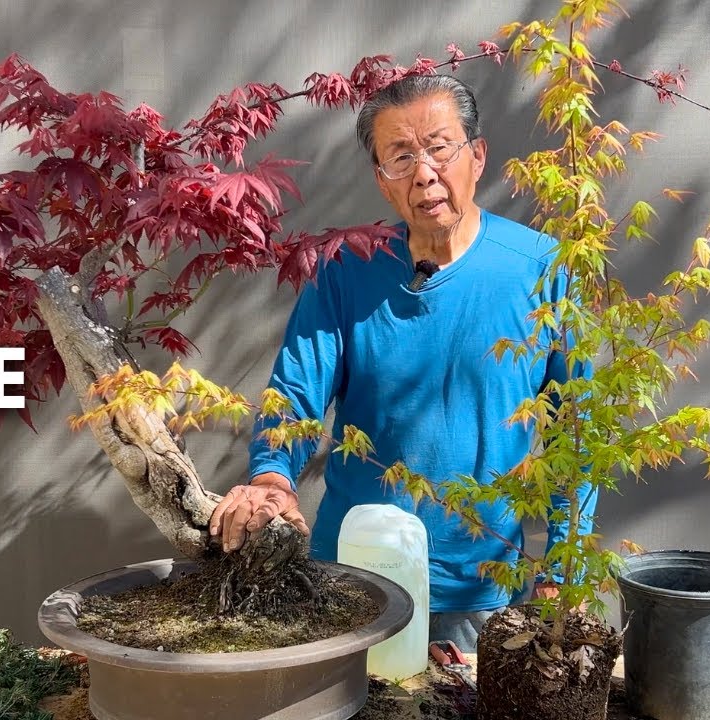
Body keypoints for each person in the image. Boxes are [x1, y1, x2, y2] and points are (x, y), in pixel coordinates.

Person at [208, 74, 595, 653]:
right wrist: (271, 479)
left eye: (440, 147)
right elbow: (294, 394)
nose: (424, 172)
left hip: (479, 590)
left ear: (478, 155)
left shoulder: (542, 270)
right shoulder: (346, 270)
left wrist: (566, 571)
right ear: (382, 181)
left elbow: (575, 435)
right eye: (401, 156)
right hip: (352, 585)